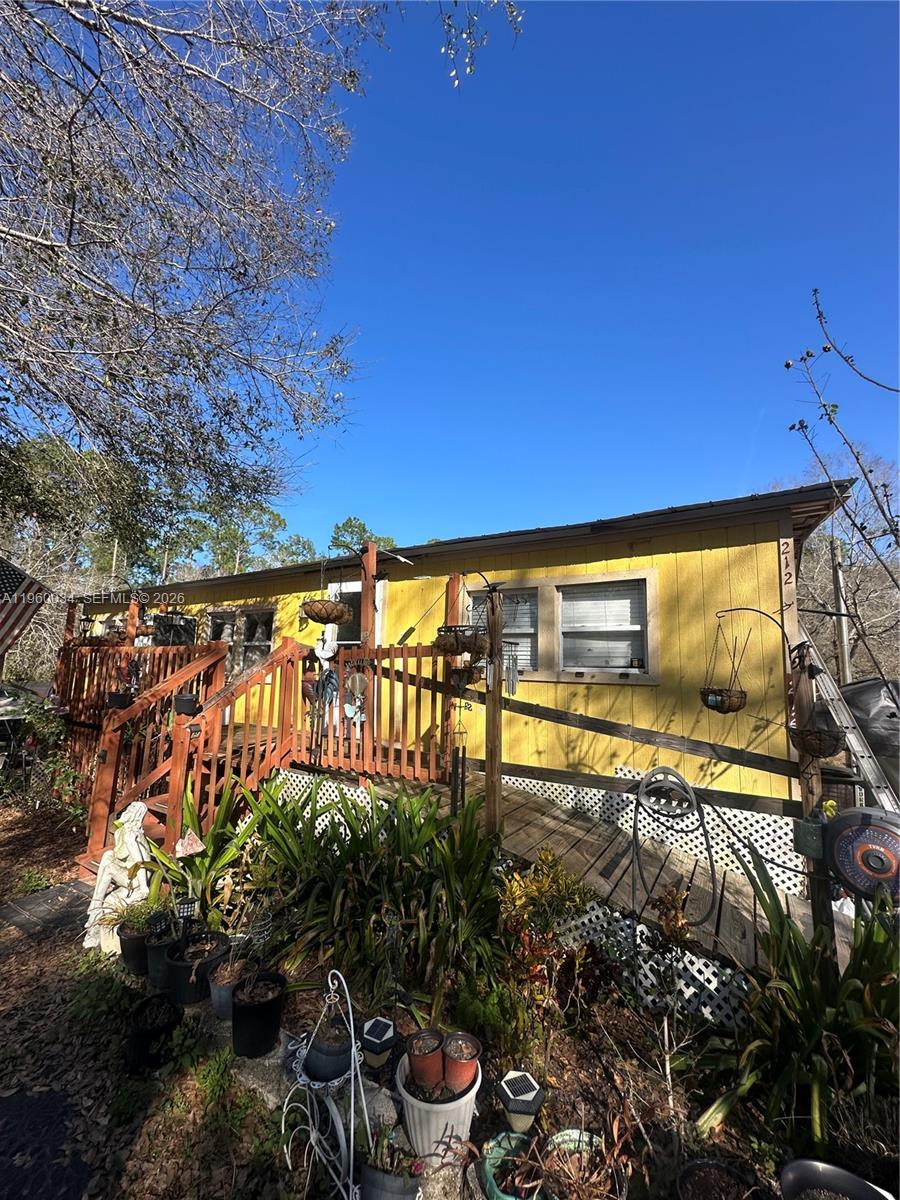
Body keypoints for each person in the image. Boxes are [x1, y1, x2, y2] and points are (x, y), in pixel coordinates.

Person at [83, 801, 150, 949]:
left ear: (135, 815)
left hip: (137, 879)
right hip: (129, 872)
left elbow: (140, 861)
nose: (126, 811)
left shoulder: (130, 836)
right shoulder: (125, 831)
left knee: (109, 869)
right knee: (107, 855)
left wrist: (144, 887)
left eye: (131, 809)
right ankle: (96, 904)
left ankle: (96, 905)